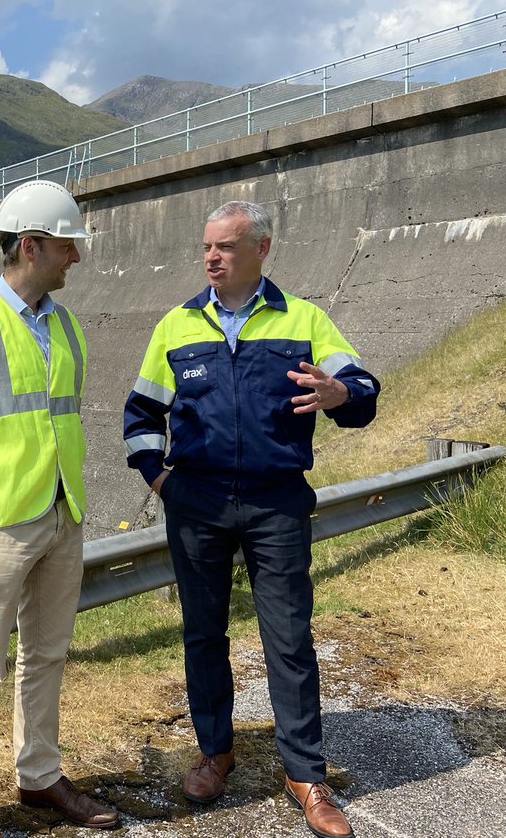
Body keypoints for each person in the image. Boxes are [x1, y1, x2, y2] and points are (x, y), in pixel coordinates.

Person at [123, 200, 379, 838]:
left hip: (276, 504)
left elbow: (362, 388)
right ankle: (215, 752)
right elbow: (139, 417)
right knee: (203, 635)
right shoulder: (175, 327)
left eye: (226, 247)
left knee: (289, 639)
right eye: (207, 247)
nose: (212, 257)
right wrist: (162, 482)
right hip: (198, 506)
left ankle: (305, 773)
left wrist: (341, 394)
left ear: (262, 249)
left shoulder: (304, 319)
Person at [0, 180, 120, 836]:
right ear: (31, 246)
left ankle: (39, 775)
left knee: (48, 653)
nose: (78, 259)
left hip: (62, 513)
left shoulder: (63, 325)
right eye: (68, 246)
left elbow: (59, 416)